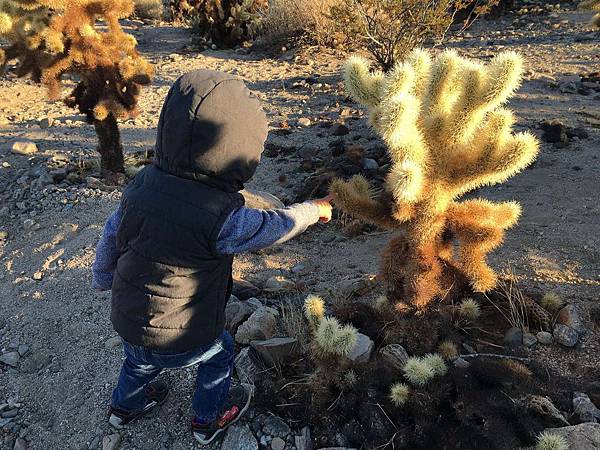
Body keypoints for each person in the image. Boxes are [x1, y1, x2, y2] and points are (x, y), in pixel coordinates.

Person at [92, 70, 334, 445]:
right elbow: (275, 226)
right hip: (184, 336)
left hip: (127, 320)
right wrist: (313, 209)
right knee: (220, 355)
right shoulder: (220, 215)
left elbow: (111, 235)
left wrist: (103, 278)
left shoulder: (141, 186)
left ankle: (123, 410)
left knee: (137, 361)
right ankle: (207, 421)